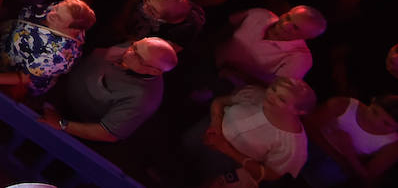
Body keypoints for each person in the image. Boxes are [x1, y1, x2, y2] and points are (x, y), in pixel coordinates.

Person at [42, 37, 179, 142]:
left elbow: (107, 133)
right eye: (134, 46)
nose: (128, 52)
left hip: (71, 119)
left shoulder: (144, 98)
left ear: (154, 71)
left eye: (137, 56)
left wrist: (62, 124)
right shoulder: (137, 48)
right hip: (55, 87)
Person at [185, 78, 314, 184]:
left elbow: (270, 174)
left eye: (282, 99)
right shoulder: (255, 95)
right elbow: (219, 102)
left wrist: (226, 148)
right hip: (207, 130)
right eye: (273, 89)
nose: (271, 96)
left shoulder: (293, 147)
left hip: (227, 163)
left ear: (299, 111)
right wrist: (216, 126)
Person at [0, 0, 97, 97]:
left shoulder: (57, 55)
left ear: (72, 31)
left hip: (9, 77)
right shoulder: (60, 11)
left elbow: (24, 78)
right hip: (4, 44)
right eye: (56, 7)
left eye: (58, 18)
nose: (51, 13)